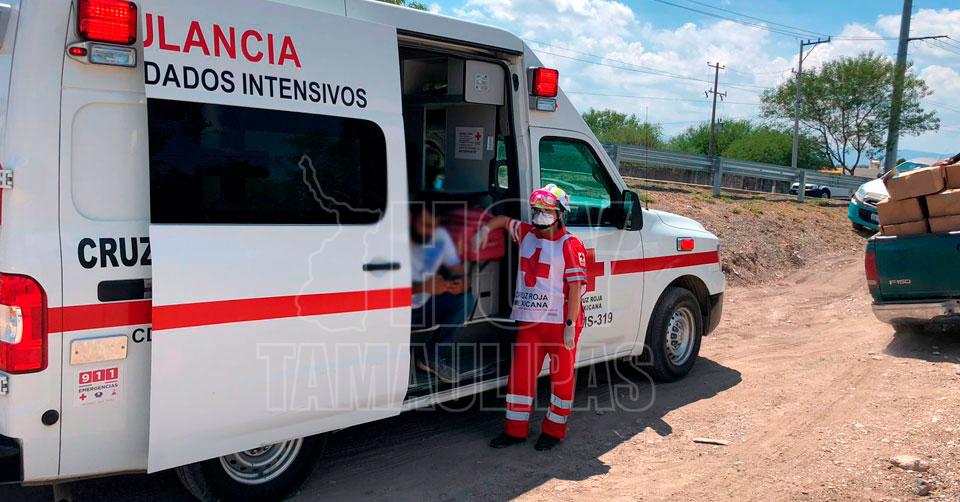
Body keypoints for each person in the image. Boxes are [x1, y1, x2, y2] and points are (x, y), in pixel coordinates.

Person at [473, 184, 587, 451]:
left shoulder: (570, 245)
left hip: (561, 323)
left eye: (547, 211)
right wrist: (483, 231)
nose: (540, 215)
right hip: (531, 322)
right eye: (537, 210)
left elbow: (575, 288)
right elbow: (502, 221)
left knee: (561, 379)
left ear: (560, 213)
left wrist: (570, 325)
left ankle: (554, 431)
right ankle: (515, 430)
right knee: (520, 377)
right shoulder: (526, 233)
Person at [410, 204, 477, 384]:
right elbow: (380, 291)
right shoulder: (394, 239)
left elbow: (458, 269)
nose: (429, 232)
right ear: (410, 218)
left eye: (433, 226)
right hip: (394, 312)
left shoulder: (439, 236)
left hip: (422, 307)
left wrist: (462, 284)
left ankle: (431, 357)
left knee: (465, 300)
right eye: (424, 224)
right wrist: (423, 287)